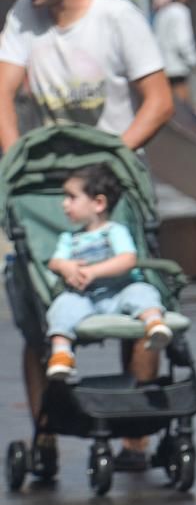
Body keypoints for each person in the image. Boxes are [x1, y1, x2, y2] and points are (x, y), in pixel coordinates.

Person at [0, 0, 175, 471]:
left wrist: (114, 159)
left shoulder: (117, 19)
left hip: (116, 184)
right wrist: (16, 161)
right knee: (37, 310)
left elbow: (159, 101)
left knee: (133, 298)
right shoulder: (24, 19)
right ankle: (46, 434)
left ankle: (134, 439)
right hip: (46, 190)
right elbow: (2, 90)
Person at [44, 164, 172, 382]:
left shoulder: (115, 231)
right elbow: (55, 261)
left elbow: (127, 259)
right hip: (85, 297)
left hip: (118, 292)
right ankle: (62, 354)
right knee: (62, 306)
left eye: (71, 197)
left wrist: (93, 271)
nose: (64, 204)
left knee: (142, 291)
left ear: (98, 203)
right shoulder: (69, 238)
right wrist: (66, 267)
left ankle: (154, 324)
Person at [154, 0, 196, 103]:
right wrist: (195, 62)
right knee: (184, 107)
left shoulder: (163, 11)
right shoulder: (181, 12)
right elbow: (183, 41)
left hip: (162, 65)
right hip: (177, 66)